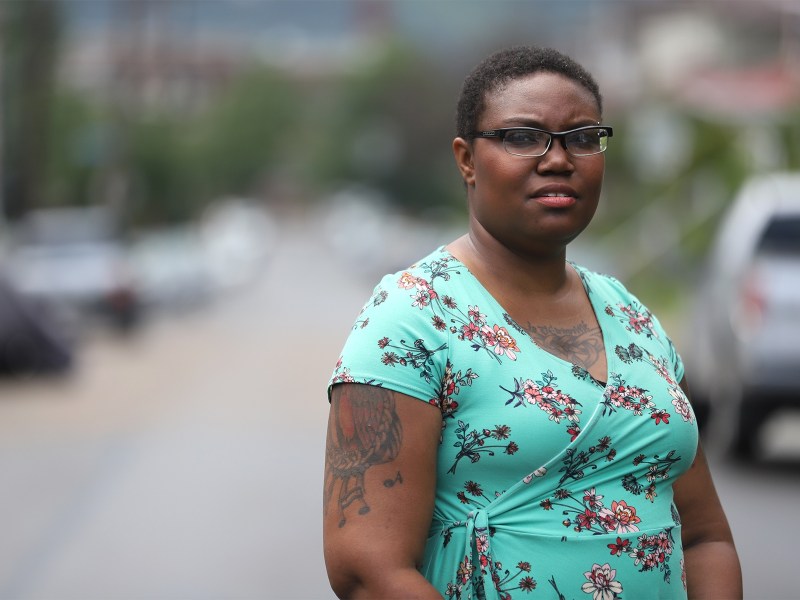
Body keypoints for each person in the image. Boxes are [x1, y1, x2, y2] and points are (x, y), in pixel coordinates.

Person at [323, 46, 741, 600]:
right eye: (523, 136)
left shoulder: (633, 317)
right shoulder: (411, 320)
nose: (558, 159)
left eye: (583, 137)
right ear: (466, 159)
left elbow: (706, 537)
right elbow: (367, 572)